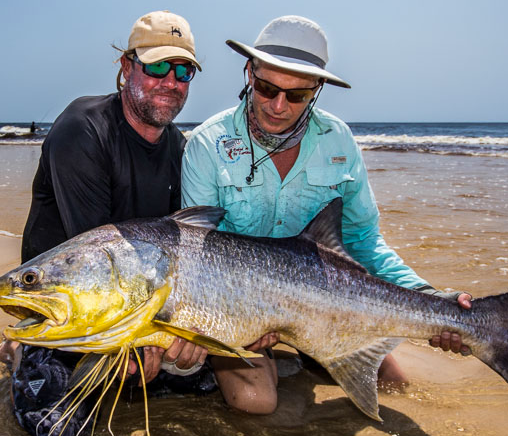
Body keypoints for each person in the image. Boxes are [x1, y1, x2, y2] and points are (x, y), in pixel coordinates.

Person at [182, 16, 472, 415]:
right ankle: (279, 360)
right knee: (256, 402)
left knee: (395, 386)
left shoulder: (339, 142)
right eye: (266, 88)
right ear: (249, 72)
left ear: (316, 90)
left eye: (297, 95)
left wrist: (434, 299)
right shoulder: (206, 146)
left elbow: (364, 242)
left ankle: (300, 356)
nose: (278, 106)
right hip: (242, 309)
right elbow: (195, 258)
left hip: (324, 304)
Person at [0, 11, 213, 436]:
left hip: (138, 302)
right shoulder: (83, 131)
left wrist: (183, 333)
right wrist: (142, 339)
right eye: (156, 67)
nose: (170, 80)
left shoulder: (180, 149)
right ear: (126, 66)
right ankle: (21, 348)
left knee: (205, 379)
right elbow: (99, 268)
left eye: (183, 70)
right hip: (75, 304)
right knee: (56, 430)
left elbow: (178, 258)